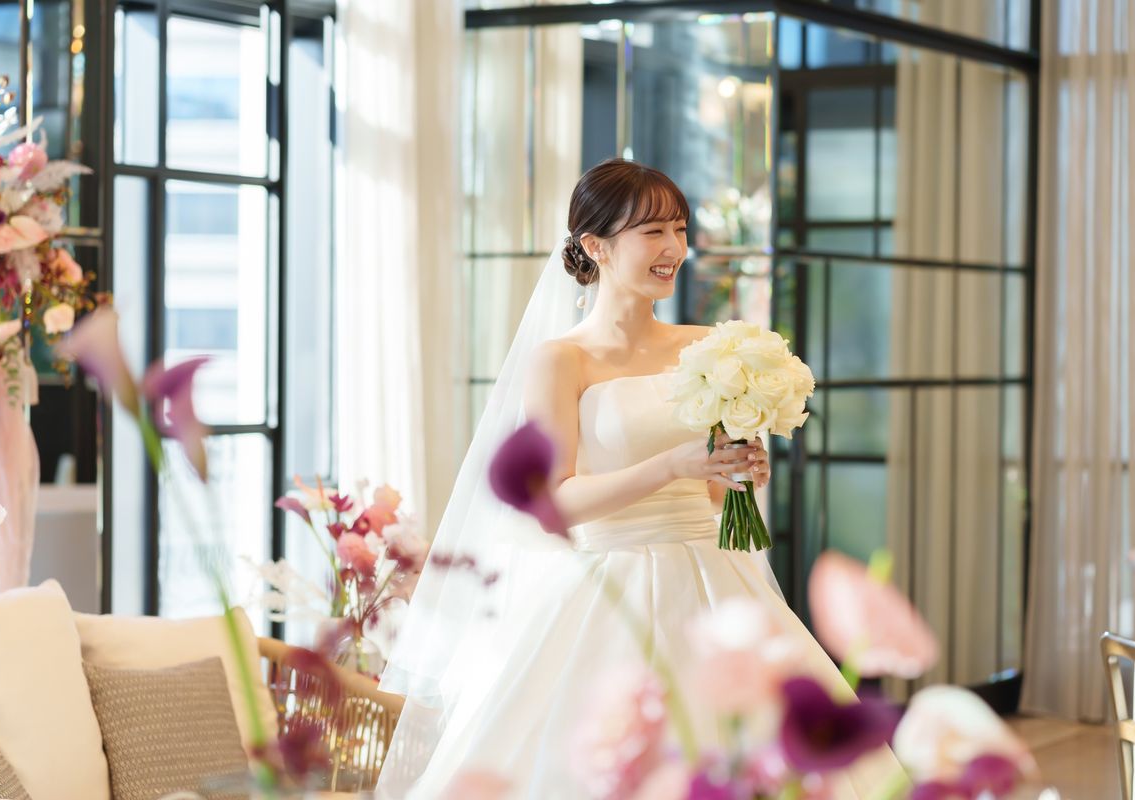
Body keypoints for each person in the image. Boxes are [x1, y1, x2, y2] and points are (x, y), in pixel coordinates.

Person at [377, 159, 904, 798]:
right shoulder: (562, 361)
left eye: (679, 229)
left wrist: (739, 470)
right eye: (653, 232)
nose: (674, 248)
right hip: (606, 585)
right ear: (596, 246)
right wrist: (672, 465)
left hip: (714, 578)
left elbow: (713, 495)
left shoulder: (710, 348)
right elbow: (554, 500)